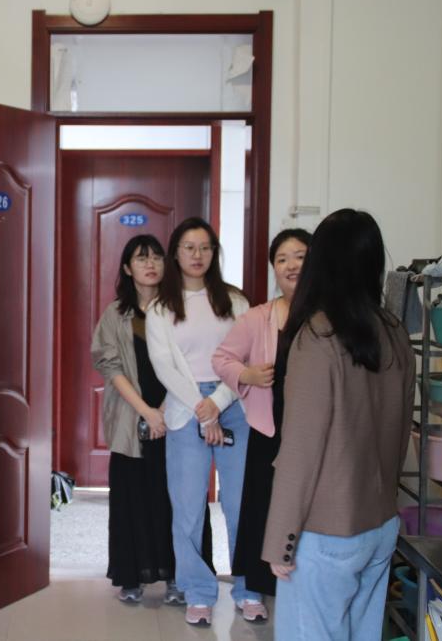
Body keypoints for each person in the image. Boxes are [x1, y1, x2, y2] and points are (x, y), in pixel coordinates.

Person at [263, 209, 415, 640]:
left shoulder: (318, 335)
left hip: (326, 533)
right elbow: (400, 434)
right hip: (379, 527)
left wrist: (280, 541)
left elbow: (301, 451)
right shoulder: (394, 330)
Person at [145, 217, 262, 627]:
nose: (197, 255)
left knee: (240, 504)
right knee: (188, 508)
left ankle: (248, 588)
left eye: (205, 248)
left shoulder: (236, 302)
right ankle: (198, 591)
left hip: (234, 404)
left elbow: (247, 358)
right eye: (189, 248)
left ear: (214, 253)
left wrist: (217, 403)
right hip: (185, 408)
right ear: (176, 253)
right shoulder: (160, 308)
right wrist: (202, 407)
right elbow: (164, 366)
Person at [211, 228, 311, 614]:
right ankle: (255, 588)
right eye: (282, 259)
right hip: (269, 428)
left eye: (299, 256)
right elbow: (222, 359)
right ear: (274, 268)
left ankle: (302, 586)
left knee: (306, 511)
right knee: (262, 508)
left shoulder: (327, 316)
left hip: (311, 431)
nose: (291, 265)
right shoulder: (259, 317)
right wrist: (248, 375)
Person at [90, 234, 183, 606]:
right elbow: (110, 367)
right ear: (128, 268)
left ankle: (177, 576)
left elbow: (191, 364)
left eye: (157, 257)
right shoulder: (116, 314)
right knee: (132, 498)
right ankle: (132, 577)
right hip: (132, 418)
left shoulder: (177, 310)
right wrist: (147, 411)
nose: (151, 264)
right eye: (141, 258)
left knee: (174, 499)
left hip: (176, 414)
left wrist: (167, 410)